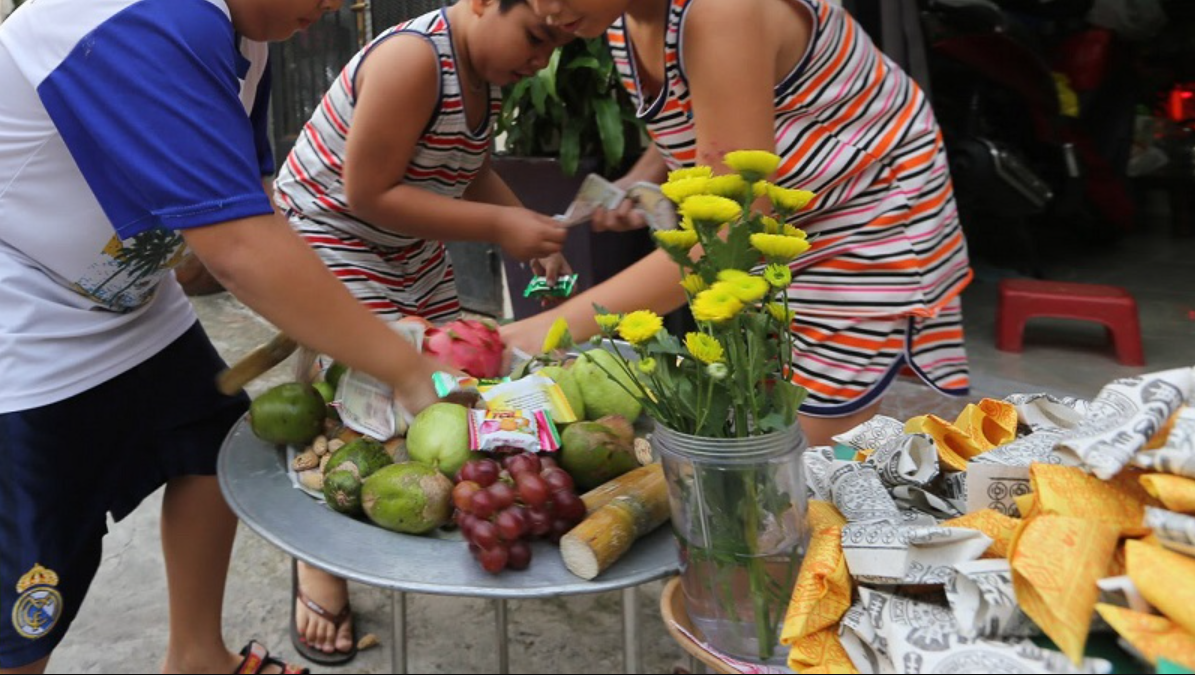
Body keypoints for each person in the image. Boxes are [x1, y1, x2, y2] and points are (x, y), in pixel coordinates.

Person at [0, 0, 459, 672]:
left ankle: (196, 656)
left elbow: (249, 197)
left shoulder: (248, 32)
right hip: (26, 311)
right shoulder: (147, 16)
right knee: (38, 567)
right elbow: (239, 248)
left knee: (212, 448)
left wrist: (348, 318)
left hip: (131, 292)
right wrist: (405, 365)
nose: (333, 5)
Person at [502, 0, 974, 447]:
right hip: (781, 206)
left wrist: (542, 330)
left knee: (806, 439)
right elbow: (705, 107)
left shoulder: (720, 12)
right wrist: (644, 177)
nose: (545, 8)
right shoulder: (623, 17)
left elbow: (731, 238)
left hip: (864, 201)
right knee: (759, 386)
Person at [271, 0, 571, 663]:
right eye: (534, 37)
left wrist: (525, 223)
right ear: (483, 4)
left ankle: (417, 492)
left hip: (405, 242)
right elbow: (366, 191)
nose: (539, 60)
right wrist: (500, 229)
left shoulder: (482, 73)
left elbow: (467, 167)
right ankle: (318, 561)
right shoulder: (413, 57)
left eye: (552, 48)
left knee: (443, 378)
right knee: (360, 393)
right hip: (332, 230)